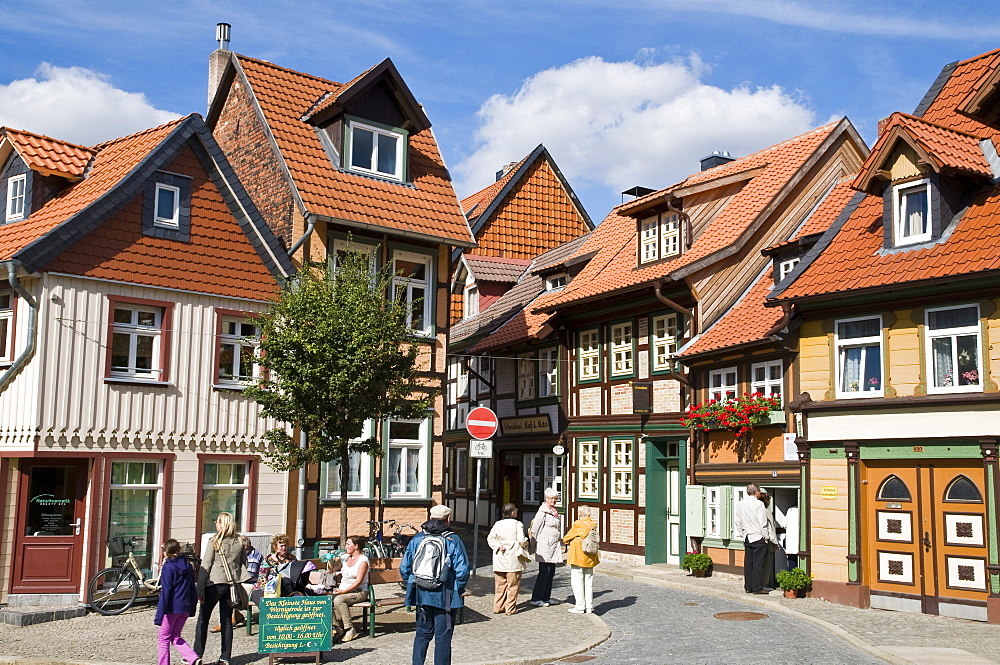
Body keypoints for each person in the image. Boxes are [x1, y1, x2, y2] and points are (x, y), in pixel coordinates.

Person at [400, 504, 470, 665]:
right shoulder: (453, 540)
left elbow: (404, 568)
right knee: (443, 638)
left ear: (430, 517)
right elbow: (463, 571)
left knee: (422, 634)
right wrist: (457, 590)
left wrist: (413, 584)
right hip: (445, 595)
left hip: (421, 594)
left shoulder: (418, 538)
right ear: (448, 519)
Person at [194, 513, 247, 665]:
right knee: (227, 621)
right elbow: (244, 563)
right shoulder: (239, 542)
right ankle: (225, 657)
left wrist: (200, 588)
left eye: (218, 522)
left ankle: (197, 655)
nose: (216, 525)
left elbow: (206, 565)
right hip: (231, 586)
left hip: (214, 584)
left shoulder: (214, 541)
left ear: (222, 524)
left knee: (203, 619)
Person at [155, 539, 200, 665]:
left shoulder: (168, 567)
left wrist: (159, 614)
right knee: (175, 636)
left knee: (163, 638)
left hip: (171, 608)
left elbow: (166, 592)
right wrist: (192, 608)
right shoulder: (187, 566)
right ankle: (192, 658)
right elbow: (192, 588)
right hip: (185, 606)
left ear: (165, 552)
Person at [212, 534, 263, 632]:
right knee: (226, 588)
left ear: (245, 547)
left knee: (231, 591)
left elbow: (248, 576)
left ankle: (227, 621)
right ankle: (234, 615)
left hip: (253, 585)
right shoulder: (244, 555)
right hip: (244, 583)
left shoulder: (254, 557)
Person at [486, 503, 529, 615]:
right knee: (513, 585)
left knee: (500, 584)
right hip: (513, 559)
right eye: (515, 510)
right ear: (512, 512)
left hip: (499, 557)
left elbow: (490, 538)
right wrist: (526, 543)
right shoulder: (517, 524)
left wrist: (498, 546)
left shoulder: (497, 524)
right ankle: (510, 608)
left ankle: (498, 606)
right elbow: (521, 540)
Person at [252, 533, 317, 603]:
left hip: (288, 588)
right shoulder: (268, 560)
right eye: (281, 546)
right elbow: (262, 578)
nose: (284, 548)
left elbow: (297, 573)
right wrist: (271, 588)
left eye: (285, 546)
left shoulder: (291, 558)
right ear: (275, 547)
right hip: (268, 588)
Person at [734, 483, 773, 594]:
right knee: (759, 564)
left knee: (749, 563)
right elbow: (762, 522)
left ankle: (748, 587)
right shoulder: (759, 504)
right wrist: (766, 536)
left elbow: (737, 521)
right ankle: (757, 587)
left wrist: (742, 534)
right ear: (757, 492)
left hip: (747, 536)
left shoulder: (741, 504)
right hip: (758, 536)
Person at [329, 535, 370, 642]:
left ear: (356, 546)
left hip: (359, 591)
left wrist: (343, 591)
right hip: (343, 590)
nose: (345, 546)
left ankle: (349, 628)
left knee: (339, 600)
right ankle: (336, 628)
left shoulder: (363, 561)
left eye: (348, 544)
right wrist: (330, 560)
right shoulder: (344, 558)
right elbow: (331, 570)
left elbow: (358, 581)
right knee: (327, 600)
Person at [528, 488, 563, 607]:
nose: (553, 500)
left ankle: (546, 597)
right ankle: (536, 598)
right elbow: (535, 529)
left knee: (551, 571)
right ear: (546, 499)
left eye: (555, 498)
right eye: (551, 498)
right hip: (544, 546)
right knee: (544, 572)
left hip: (553, 546)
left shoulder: (554, 512)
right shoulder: (542, 512)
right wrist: (532, 545)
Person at [562, 505, 599, 614]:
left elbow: (566, 538)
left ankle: (579, 606)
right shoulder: (593, 524)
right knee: (589, 581)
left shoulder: (578, 524)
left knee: (577, 580)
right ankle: (589, 606)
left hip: (578, 556)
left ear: (580, 514)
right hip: (590, 556)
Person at [758, 490, 779, 591]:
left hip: (757, 540)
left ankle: (759, 583)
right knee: (767, 564)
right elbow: (771, 528)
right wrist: (775, 542)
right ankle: (764, 584)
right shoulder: (767, 512)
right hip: (768, 542)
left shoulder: (757, 511)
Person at [781, 504, 800, 569]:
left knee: (792, 563)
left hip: (791, 542)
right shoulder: (805, 509)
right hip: (801, 543)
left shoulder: (791, 510)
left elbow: (784, 524)